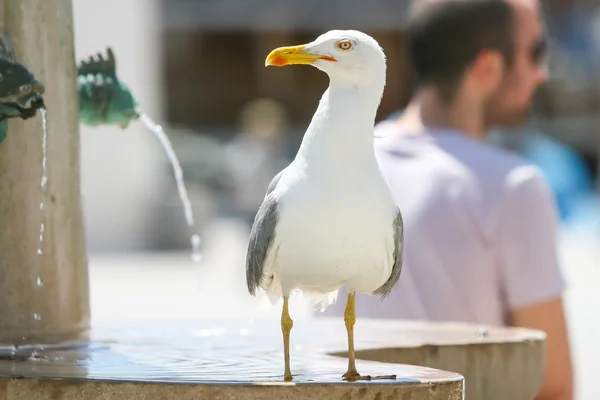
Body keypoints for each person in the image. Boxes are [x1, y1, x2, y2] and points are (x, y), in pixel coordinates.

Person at [319, 0, 573, 398]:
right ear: (487, 68)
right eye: (536, 52)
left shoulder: (333, 165)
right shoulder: (513, 188)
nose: (542, 73)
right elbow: (552, 385)